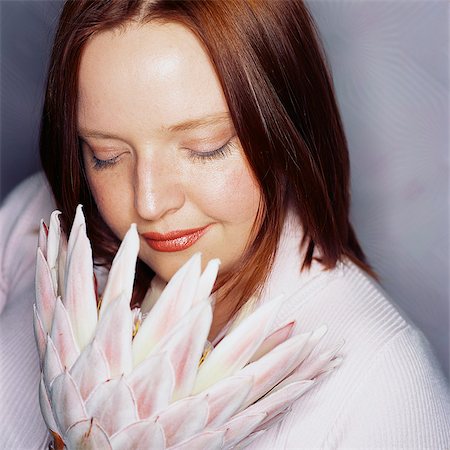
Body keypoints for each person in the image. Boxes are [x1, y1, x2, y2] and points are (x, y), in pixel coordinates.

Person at [1, 1, 448, 448]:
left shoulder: (382, 382)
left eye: (205, 147)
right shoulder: (34, 227)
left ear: (286, 126)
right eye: (107, 155)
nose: (151, 202)